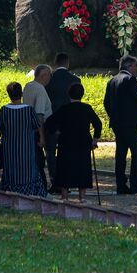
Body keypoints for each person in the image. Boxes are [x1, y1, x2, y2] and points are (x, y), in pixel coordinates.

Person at [44, 83, 103, 198]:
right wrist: (95, 140)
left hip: (66, 142)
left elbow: (49, 122)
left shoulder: (64, 109)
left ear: (69, 95)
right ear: (82, 94)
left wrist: (56, 132)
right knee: (83, 168)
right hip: (83, 142)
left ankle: (64, 196)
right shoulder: (87, 108)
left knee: (64, 168)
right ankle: (82, 197)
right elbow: (98, 124)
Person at [103, 55, 137, 195]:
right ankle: (135, 185)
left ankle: (121, 185)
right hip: (131, 123)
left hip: (117, 123)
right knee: (136, 154)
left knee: (121, 154)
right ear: (129, 66)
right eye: (135, 66)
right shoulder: (130, 79)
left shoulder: (112, 80)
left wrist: (113, 116)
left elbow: (106, 103)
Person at [0, 81, 48, 197]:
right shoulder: (28, 110)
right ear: (21, 94)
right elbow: (37, 125)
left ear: (8, 94)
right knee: (29, 169)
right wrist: (42, 139)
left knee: (11, 169)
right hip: (26, 146)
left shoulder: (4, 110)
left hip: (10, 147)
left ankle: (11, 189)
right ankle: (29, 190)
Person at [44, 53, 81, 182]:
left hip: (51, 119)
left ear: (55, 63)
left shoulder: (48, 79)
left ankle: (54, 179)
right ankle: (66, 179)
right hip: (69, 121)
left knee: (50, 152)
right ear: (67, 63)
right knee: (67, 151)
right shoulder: (75, 80)